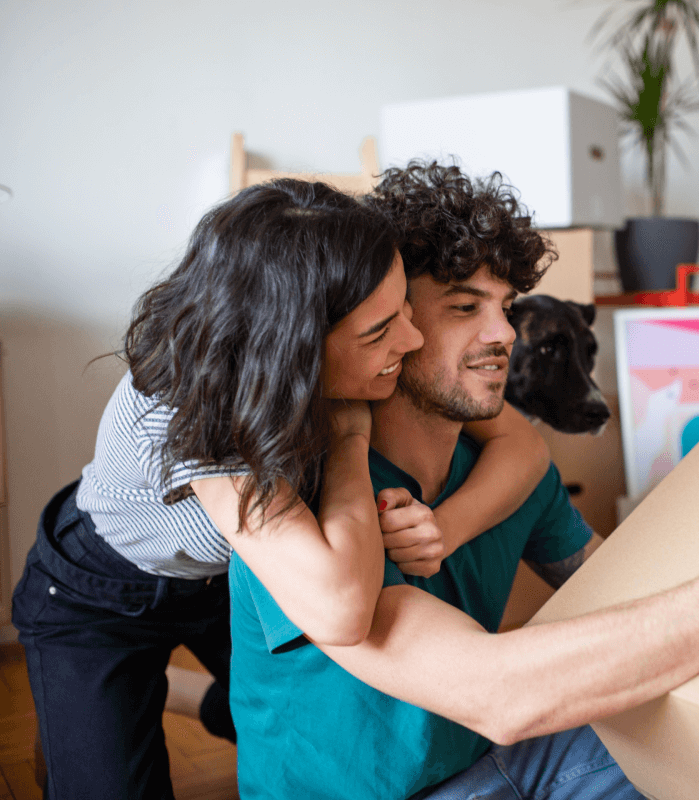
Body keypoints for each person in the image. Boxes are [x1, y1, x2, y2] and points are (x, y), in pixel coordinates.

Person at [227, 162, 699, 800]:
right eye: (465, 308)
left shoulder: (512, 466)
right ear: (391, 324)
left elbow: (620, 595)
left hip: (502, 761)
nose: (504, 332)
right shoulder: (300, 503)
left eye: (507, 306)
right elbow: (495, 691)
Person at [10, 178, 551, 800]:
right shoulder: (194, 415)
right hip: (103, 590)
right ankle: (88, 716)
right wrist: (349, 434)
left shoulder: (346, 354)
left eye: (405, 310)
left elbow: (525, 446)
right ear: (293, 346)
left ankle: (172, 693)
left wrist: (446, 526)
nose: (411, 340)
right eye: (380, 332)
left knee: (312, 709)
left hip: (230, 577)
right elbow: (339, 610)